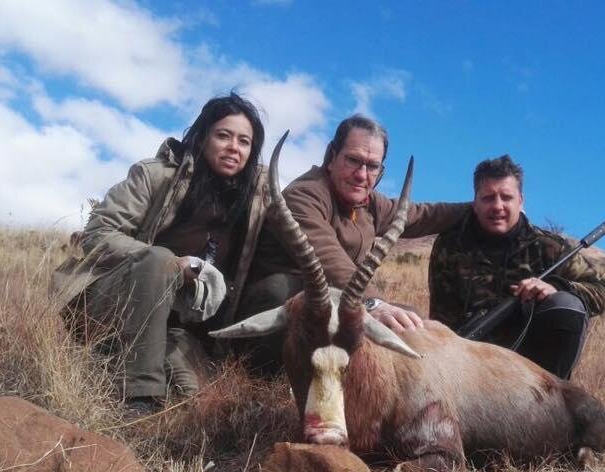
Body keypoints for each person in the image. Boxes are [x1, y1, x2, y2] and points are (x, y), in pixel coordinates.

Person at [51, 93, 269, 416]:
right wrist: (172, 263)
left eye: (244, 141)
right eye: (223, 135)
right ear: (203, 135)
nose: (233, 147)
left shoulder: (256, 199)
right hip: (116, 300)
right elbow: (99, 233)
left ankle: (123, 357)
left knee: (190, 400)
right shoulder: (155, 175)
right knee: (158, 261)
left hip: (178, 327)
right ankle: (140, 398)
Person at [243, 115, 468, 370]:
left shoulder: (369, 204)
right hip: (288, 302)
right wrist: (372, 303)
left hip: (338, 302)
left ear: (381, 172)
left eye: (372, 166)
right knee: (283, 290)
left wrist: (483, 208)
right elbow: (328, 259)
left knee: (407, 318)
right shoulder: (303, 196)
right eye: (353, 160)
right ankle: (273, 373)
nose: (361, 175)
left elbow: (424, 214)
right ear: (331, 156)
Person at [428, 155, 605, 380]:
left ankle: (556, 394)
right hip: (469, 362)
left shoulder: (549, 247)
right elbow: (440, 316)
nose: (497, 206)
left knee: (566, 304)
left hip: (532, 363)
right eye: (488, 198)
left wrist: (556, 288)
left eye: (506, 197)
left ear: (521, 201)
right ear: (474, 203)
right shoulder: (450, 246)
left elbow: (600, 291)